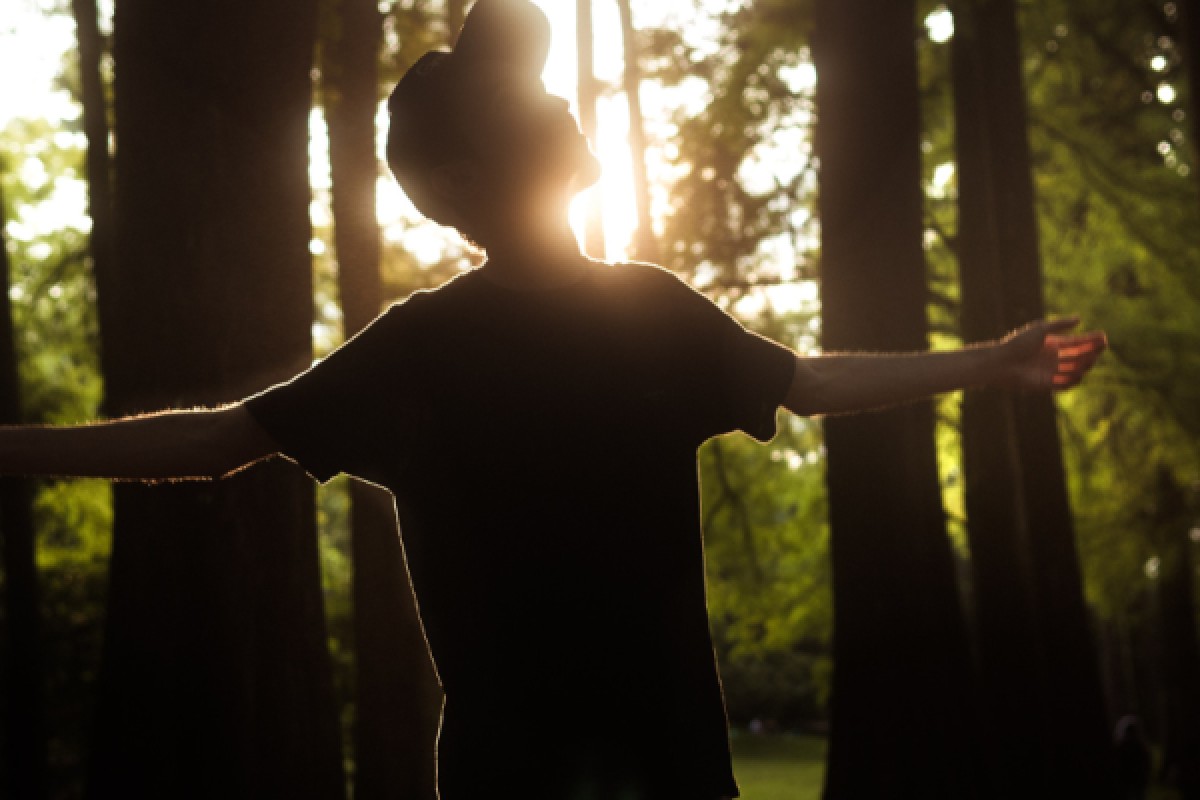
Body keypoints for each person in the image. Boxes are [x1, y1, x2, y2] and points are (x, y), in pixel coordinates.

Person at [0, 1, 1106, 797]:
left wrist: (992, 364)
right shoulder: (421, 348)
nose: (554, 95)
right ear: (476, 170)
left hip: (672, 764)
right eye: (519, 95)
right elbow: (220, 440)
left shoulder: (655, 312)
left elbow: (810, 382)